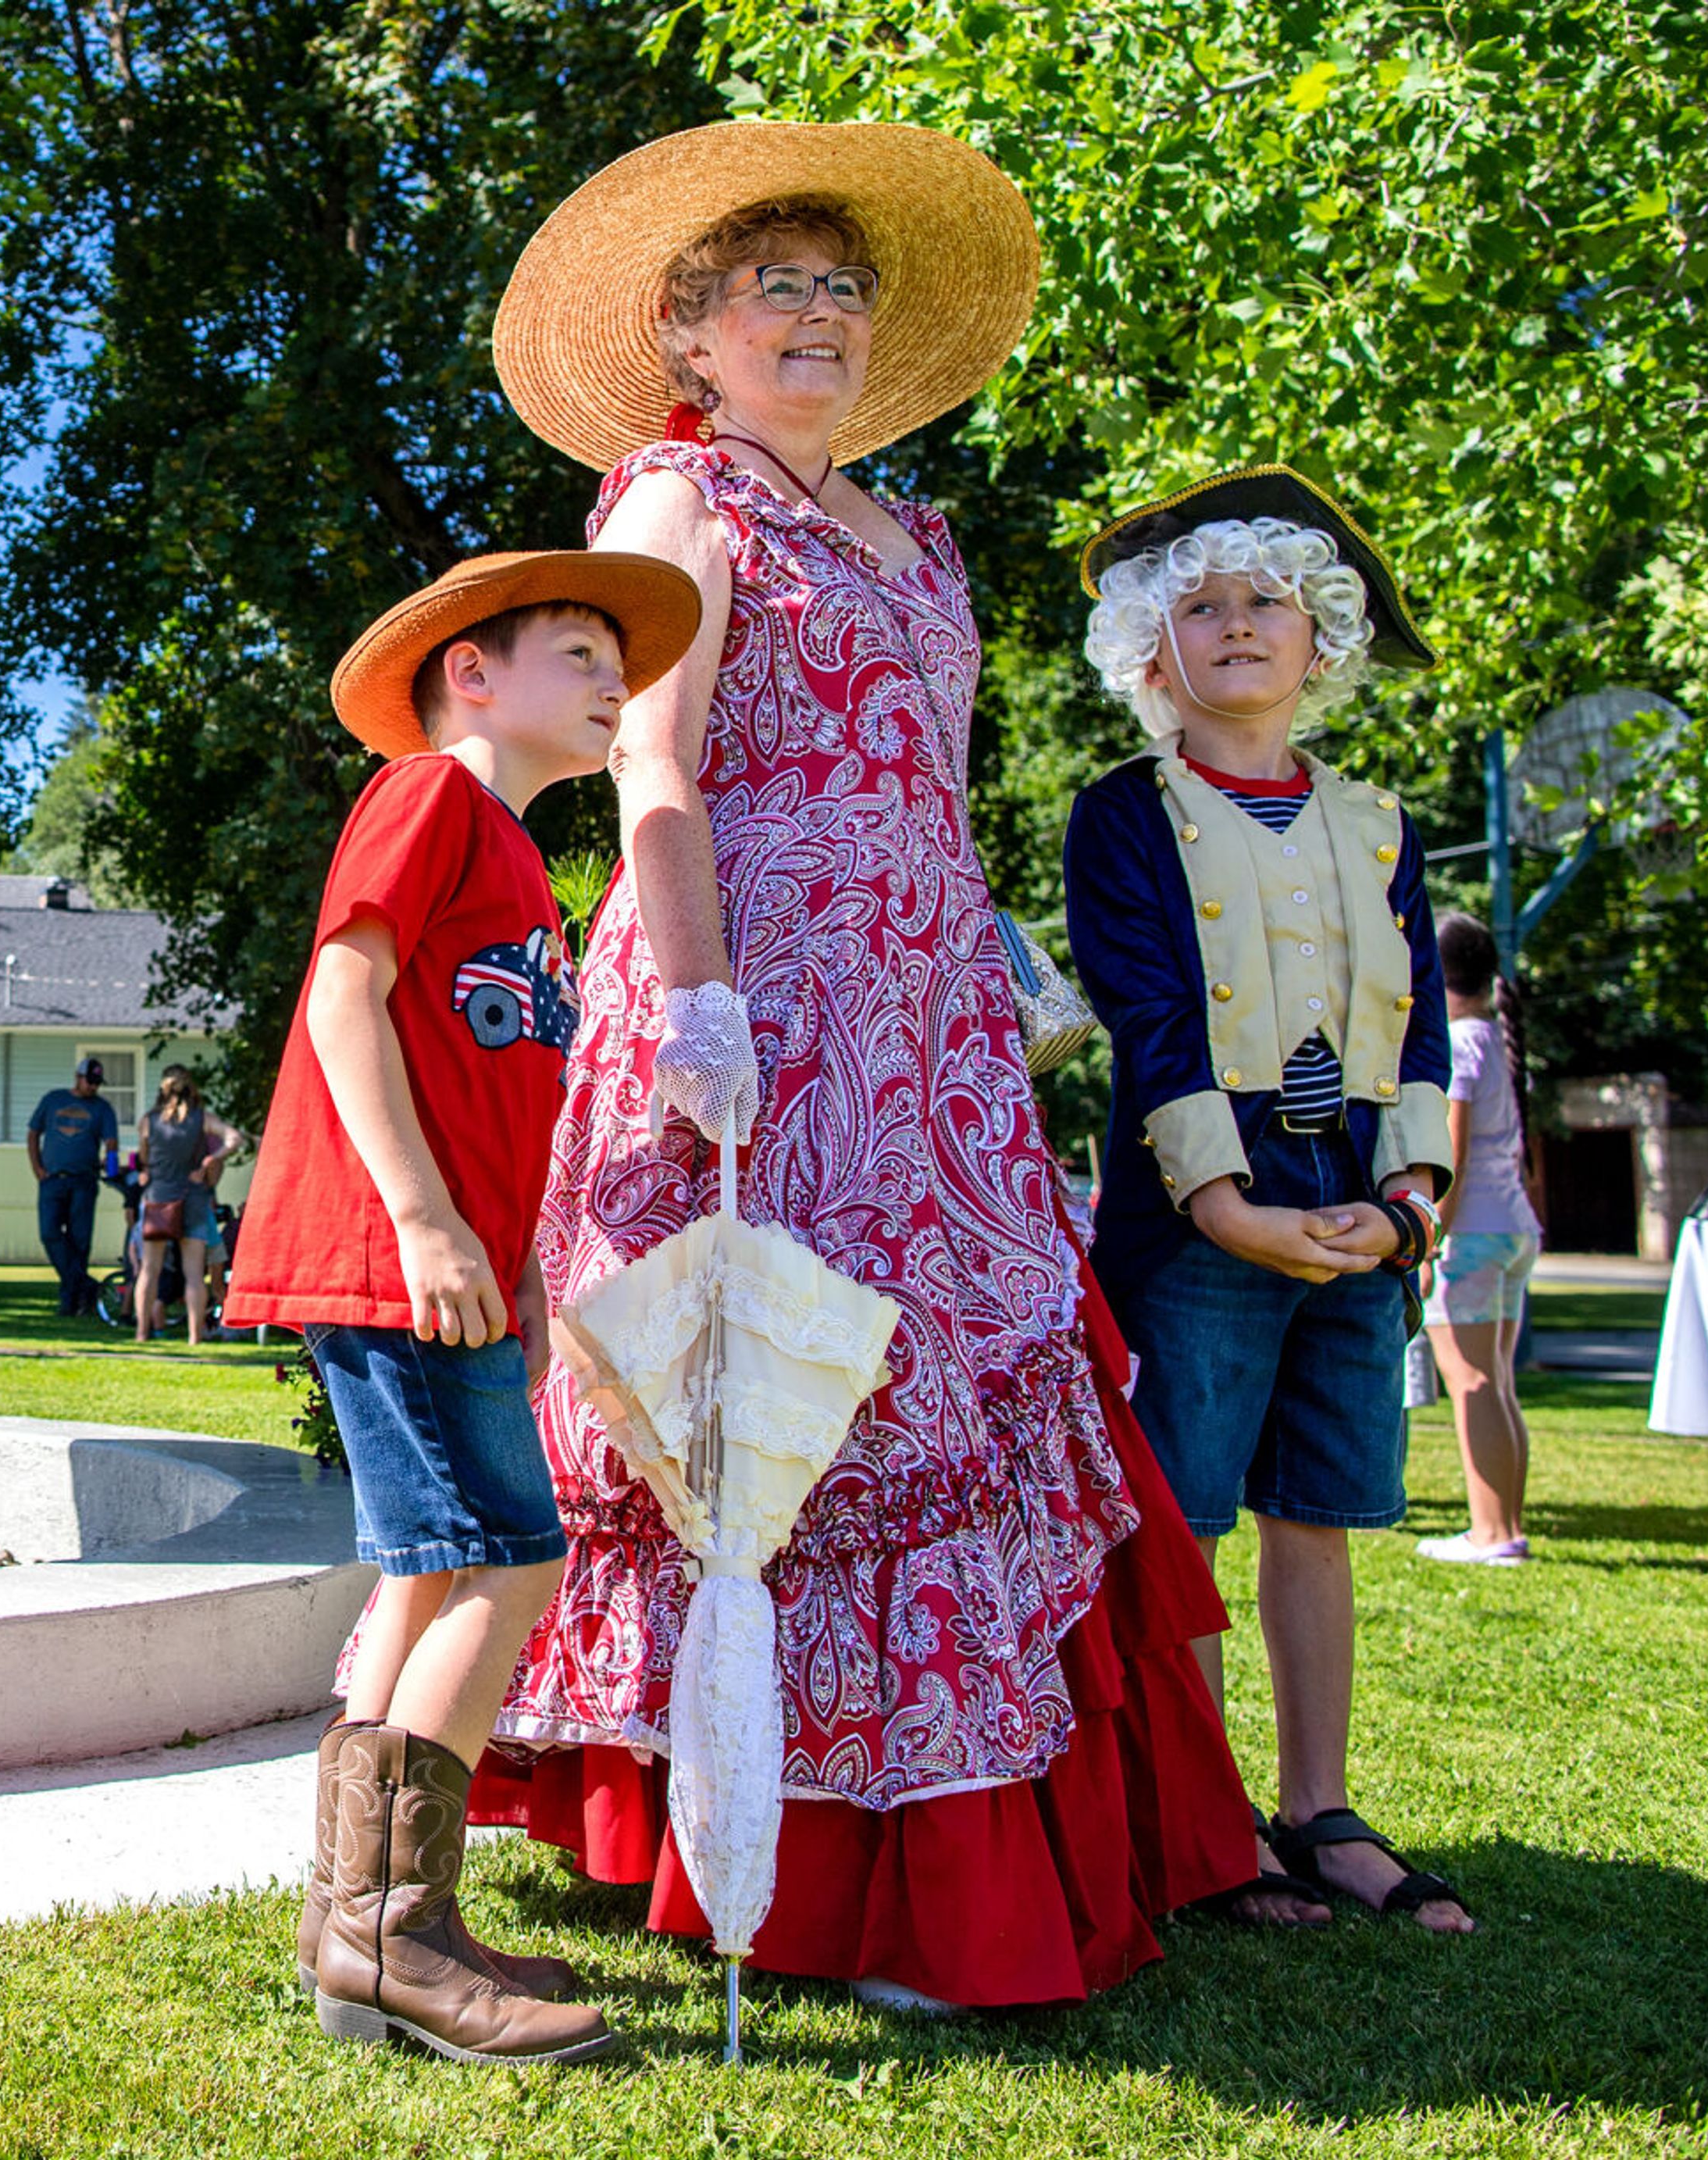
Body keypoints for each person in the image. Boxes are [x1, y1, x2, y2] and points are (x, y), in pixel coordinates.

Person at [469, 120, 1264, 2009]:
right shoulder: (675, 504)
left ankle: (948, 1845)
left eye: (839, 287)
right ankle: (809, 1867)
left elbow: (924, 799)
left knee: (953, 1401)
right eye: (774, 289)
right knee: (777, 1415)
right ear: (690, 332)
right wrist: (696, 1008)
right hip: (757, 1009)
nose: (814, 317)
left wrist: (988, 983)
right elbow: (653, 769)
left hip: (932, 1039)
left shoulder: (919, 538)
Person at [226, 544, 701, 2065]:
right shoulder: (431, 796)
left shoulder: (522, 868)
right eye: (579, 647)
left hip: (467, 1282)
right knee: (511, 1559)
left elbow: (501, 1096)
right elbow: (342, 996)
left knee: (439, 1574)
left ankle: (365, 1913)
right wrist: (426, 1221)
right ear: (472, 674)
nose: (612, 676)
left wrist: (532, 1272)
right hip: (390, 1258)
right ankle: (390, 1928)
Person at [1068, 465, 1473, 1935]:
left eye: (1269, 602)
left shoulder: (1378, 821)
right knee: (1187, 1522)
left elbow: (1420, 1023)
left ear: (1323, 639)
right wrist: (1225, 1205)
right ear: (1148, 655)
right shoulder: (1127, 812)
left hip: (1358, 1204)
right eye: (1201, 606)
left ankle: (1323, 1808)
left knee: (1319, 1511)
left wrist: (1411, 1198)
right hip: (1200, 1215)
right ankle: (1199, 1816)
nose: (1239, 626)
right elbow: (1147, 1007)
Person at [1417, 913, 1545, 1565]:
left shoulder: (1461, 1042)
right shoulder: (1495, 1038)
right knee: (1494, 1380)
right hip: (1512, 1228)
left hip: (1468, 1234)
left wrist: (1430, 1240)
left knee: (1469, 1380)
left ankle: (1492, 1534)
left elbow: (1451, 1155)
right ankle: (1505, 1526)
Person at [128, 1066, 244, 1345]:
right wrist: (212, 1158)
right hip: (192, 1199)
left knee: (149, 1270)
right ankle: (194, 1336)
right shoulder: (202, 1119)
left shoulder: (148, 1121)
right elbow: (235, 1138)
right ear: (191, 1089)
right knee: (194, 1273)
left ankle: (141, 1333)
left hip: (158, 1200)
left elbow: (144, 1159)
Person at [27, 1056, 119, 1316]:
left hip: (84, 1180)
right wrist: (37, 1168)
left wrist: (111, 1169)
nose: (93, 1088)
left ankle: (70, 1301)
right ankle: (86, 1286)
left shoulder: (103, 1109)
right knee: (49, 1233)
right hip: (53, 1179)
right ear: (77, 1077)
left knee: (80, 1241)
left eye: (97, 1083)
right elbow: (34, 1133)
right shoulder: (53, 1100)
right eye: (90, 1081)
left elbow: (111, 1143)